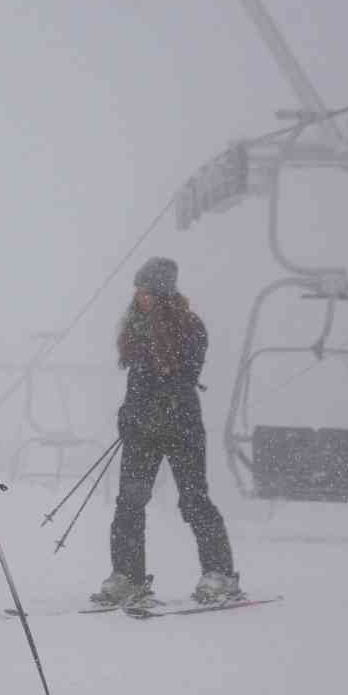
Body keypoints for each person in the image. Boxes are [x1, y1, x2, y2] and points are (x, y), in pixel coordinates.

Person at [92, 257, 240, 609]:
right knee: (129, 502)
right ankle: (127, 576)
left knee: (193, 499)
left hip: (181, 426)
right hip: (143, 430)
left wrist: (153, 409)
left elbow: (183, 377)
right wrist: (128, 415)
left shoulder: (189, 327)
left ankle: (219, 573)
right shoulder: (136, 328)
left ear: (161, 293)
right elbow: (138, 382)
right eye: (138, 290)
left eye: (146, 291)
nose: (140, 297)